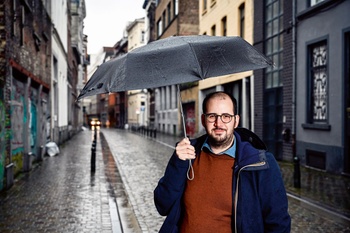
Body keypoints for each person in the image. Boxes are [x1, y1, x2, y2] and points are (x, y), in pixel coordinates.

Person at [154, 91, 291, 233]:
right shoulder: (187, 154)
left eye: (226, 116)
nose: (218, 123)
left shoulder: (260, 163)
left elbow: (278, 223)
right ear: (203, 119)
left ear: (236, 121)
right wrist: (177, 164)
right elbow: (162, 205)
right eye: (212, 116)